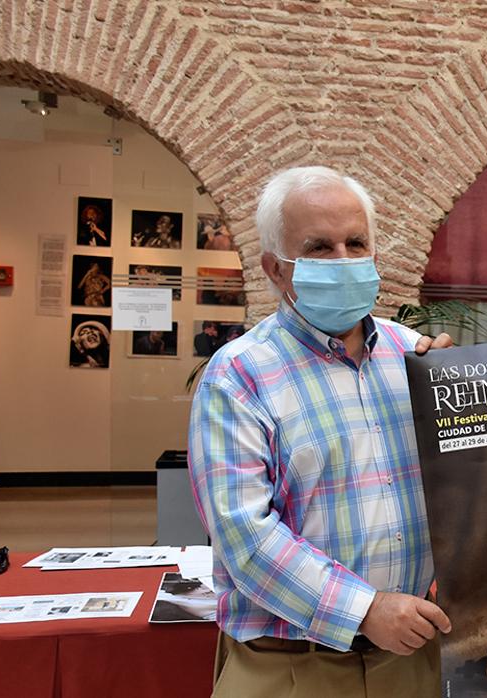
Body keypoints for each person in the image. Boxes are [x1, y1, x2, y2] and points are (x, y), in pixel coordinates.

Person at [188, 166, 454, 698]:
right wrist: (366, 610)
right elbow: (246, 539)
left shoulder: (417, 358)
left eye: (356, 243)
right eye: (319, 248)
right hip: (291, 670)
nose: (344, 260)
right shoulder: (238, 375)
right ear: (276, 269)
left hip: (414, 665)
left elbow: (484, 475)